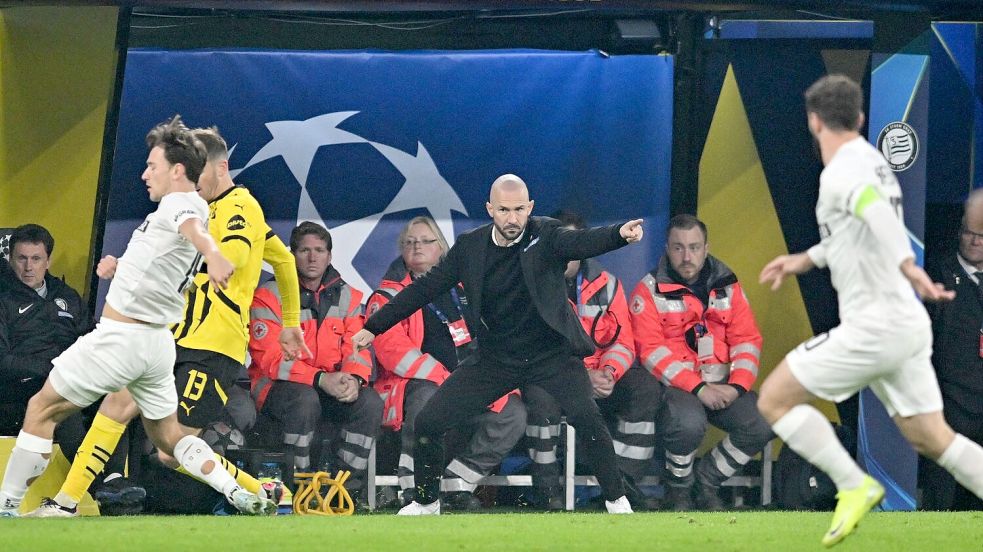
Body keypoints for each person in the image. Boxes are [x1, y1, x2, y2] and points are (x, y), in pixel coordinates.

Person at [0, 115, 275, 517]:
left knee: (41, 408)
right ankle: (238, 490)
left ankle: (6, 510)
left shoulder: (181, 204)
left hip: (121, 339)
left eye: (153, 166)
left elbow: (193, 229)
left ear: (177, 170)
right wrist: (119, 265)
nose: (145, 173)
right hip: (157, 346)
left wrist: (215, 255)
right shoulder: (184, 207)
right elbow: (166, 254)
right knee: (168, 437)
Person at [757, 74, 983, 547]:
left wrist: (907, 262)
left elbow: (872, 212)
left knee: (774, 399)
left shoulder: (842, 172)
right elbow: (853, 233)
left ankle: (853, 483)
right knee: (933, 439)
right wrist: (806, 259)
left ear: (813, 120)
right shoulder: (873, 161)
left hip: (874, 326)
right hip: (906, 326)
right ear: (860, 118)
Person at [353, 174, 644, 515]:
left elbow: (582, 242)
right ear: (490, 209)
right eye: (504, 210)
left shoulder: (547, 234)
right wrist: (374, 327)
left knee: (586, 417)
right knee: (429, 422)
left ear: (530, 208)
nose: (512, 218)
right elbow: (423, 289)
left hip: (551, 354)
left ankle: (617, 500)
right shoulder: (470, 247)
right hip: (496, 358)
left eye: (519, 209)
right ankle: (427, 501)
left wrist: (619, 234)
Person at [368, 216, 526, 511]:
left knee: (512, 411)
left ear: (441, 247)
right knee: (426, 397)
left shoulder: (464, 288)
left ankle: (457, 485)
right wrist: (444, 377)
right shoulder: (389, 294)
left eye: (425, 241)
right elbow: (392, 350)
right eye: (410, 242)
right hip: (413, 386)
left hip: (467, 380)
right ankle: (416, 490)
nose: (417, 248)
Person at [630, 214, 772, 511]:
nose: (687, 256)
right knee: (687, 423)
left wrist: (737, 387)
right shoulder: (648, 290)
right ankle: (678, 489)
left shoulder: (728, 286)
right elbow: (650, 352)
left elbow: (747, 340)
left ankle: (705, 482)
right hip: (677, 387)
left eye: (694, 247)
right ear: (667, 248)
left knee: (764, 419)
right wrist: (698, 388)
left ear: (706, 248)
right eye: (678, 248)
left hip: (723, 386)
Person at [522, 210, 659, 510]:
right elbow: (535, 347)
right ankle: (546, 491)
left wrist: (609, 371)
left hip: (600, 376)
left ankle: (623, 482)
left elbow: (623, 342)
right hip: (553, 378)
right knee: (540, 398)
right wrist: (584, 377)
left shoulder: (607, 284)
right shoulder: (530, 284)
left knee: (645, 388)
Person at [249, 221, 382, 507]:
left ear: (330, 256)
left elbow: (357, 347)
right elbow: (271, 359)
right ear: (291, 254)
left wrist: (354, 380)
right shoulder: (269, 295)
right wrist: (320, 379)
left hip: (332, 386)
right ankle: (299, 488)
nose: (312, 257)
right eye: (305, 250)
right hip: (279, 388)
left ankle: (344, 490)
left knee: (370, 402)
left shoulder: (349, 296)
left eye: (319, 250)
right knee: (305, 399)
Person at [919, 190, 983, 510]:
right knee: (941, 502)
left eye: (982, 236)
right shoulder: (936, 277)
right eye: (970, 233)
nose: (975, 241)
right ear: (959, 231)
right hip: (948, 407)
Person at [0, 225, 89, 453]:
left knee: (122, 395)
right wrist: (51, 368)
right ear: (10, 259)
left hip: (73, 377)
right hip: (22, 386)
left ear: (48, 261)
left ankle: (119, 476)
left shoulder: (67, 295)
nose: (28, 267)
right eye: (21, 258)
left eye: (36, 259)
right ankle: (100, 483)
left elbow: (91, 337)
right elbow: (2, 360)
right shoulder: (3, 297)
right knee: (59, 399)